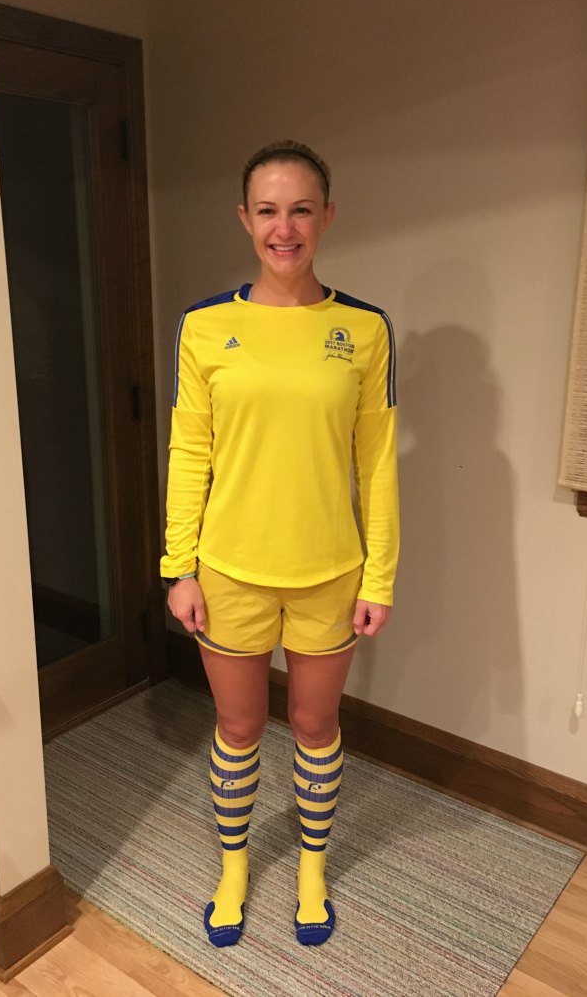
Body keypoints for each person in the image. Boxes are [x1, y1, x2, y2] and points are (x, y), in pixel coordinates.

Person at [160, 140, 399, 947]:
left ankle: (310, 868)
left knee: (312, 725)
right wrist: (177, 567)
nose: (283, 228)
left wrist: (379, 578)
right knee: (236, 728)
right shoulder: (204, 327)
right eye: (267, 210)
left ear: (326, 217)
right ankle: (233, 868)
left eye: (300, 210)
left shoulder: (363, 330)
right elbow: (189, 452)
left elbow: (376, 464)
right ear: (244, 219)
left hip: (330, 573)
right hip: (228, 572)